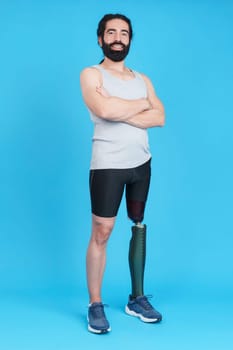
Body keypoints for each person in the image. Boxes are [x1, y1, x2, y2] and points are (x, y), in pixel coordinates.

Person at [80, 13, 165, 334]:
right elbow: (103, 111)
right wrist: (141, 106)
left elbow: (160, 117)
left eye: (124, 33)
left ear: (130, 39)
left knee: (139, 226)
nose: (118, 37)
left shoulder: (143, 80)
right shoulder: (91, 74)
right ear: (100, 39)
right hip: (107, 165)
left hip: (141, 164)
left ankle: (136, 298)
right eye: (111, 32)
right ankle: (95, 304)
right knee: (101, 232)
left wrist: (122, 106)